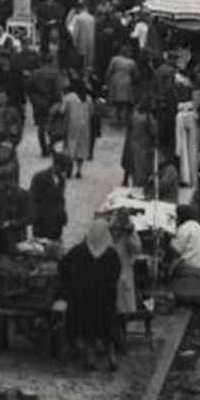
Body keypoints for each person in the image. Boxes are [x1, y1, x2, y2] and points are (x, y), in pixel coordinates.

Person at [58, 220, 122, 372]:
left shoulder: (79, 251)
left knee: (88, 328)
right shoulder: (111, 253)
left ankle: (90, 358)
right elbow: (116, 274)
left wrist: (73, 281)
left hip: (83, 297)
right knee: (107, 328)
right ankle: (112, 358)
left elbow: (63, 268)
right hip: (105, 298)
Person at [108, 210, 143, 354]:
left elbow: (137, 249)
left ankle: (120, 340)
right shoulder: (107, 235)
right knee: (111, 311)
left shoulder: (129, 235)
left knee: (121, 313)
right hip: (108, 278)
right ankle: (115, 340)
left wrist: (130, 234)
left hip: (123, 278)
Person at [29, 152, 70, 240]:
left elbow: (60, 199)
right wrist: (35, 217)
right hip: (42, 222)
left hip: (56, 222)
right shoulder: (39, 177)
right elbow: (32, 199)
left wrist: (62, 214)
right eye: (63, 168)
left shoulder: (61, 179)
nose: (64, 171)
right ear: (56, 165)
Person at [59, 77, 95, 178]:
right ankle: (79, 170)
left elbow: (62, 111)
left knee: (70, 146)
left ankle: (68, 168)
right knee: (82, 147)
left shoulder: (68, 97)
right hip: (85, 126)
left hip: (71, 125)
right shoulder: (87, 98)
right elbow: (92, 112)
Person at [169, 205, 200, 280]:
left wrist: (169, 241)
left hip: (190, 267)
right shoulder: (198, 226)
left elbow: (175, 250)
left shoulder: (184, 227)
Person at [123, 96, 157, 189]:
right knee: (144, 166)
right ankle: (142, 184)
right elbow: (154, 131)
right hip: (144, 144)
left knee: (135, 165)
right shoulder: (148, 116)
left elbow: (129, 127)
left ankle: (136, 183)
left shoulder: (134, 113)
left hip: (134, 142)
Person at [105, 46, 137, 128]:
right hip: (126, 82)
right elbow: (136, 74)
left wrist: (107, 81)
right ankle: (123, 121)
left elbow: (109, 71)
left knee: (115, 102)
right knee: (124, 102)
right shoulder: (132, 62)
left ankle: (114, 120)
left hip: (115, 81)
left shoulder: (114, 59)